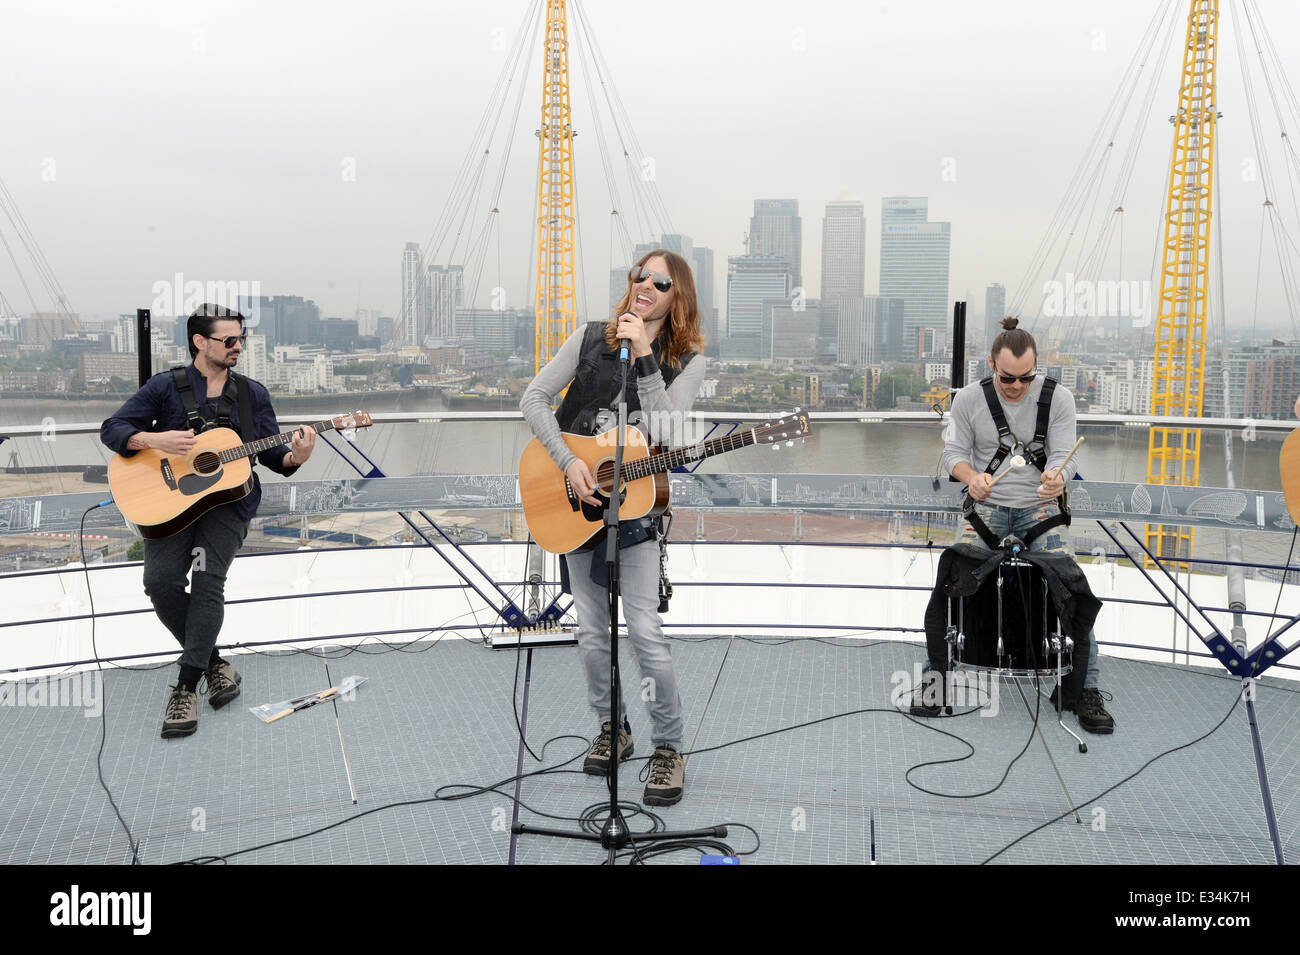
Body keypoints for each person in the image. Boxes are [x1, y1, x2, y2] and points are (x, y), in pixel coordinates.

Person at [520, 250, 706, 805]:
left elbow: (669, 431)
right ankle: (613, 728)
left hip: (639, 517)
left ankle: (669, 747)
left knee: (645, 633)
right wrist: (568, 461)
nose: (646, 285)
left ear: (678, 297)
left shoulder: (688, 359)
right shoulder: (589, 338)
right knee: (592, 634)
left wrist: (647, 357)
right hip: (578, 507)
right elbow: (533, 398)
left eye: (661, 281)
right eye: (640, 275)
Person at [101, 303, 316, 738]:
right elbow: (113, 428)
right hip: (173, 506)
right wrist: (152, 438)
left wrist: (297, 455)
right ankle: (214, 663)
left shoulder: (252, 394)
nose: (239, 347)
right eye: (229, 340)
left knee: (207, 582)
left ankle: (185, 686)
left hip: (228, 505)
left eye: (241, 339)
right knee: (160, 583)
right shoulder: (165, 387)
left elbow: (273, 453)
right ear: (201, 342)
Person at [938, 316, 1114, 733]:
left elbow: (1064, 454)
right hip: (989, 506)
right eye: (1007, 378)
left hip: (1039, 508)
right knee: (954, 578)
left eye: (1025, 378)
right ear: (991, 364)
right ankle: (938, 671)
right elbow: (953, 456)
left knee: (1072, 586)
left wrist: (1058, 476)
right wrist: (972, 478)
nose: (1017, 386)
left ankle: (1085, 688)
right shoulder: (967, 400)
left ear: (1036, 369)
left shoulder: (1059, 399)